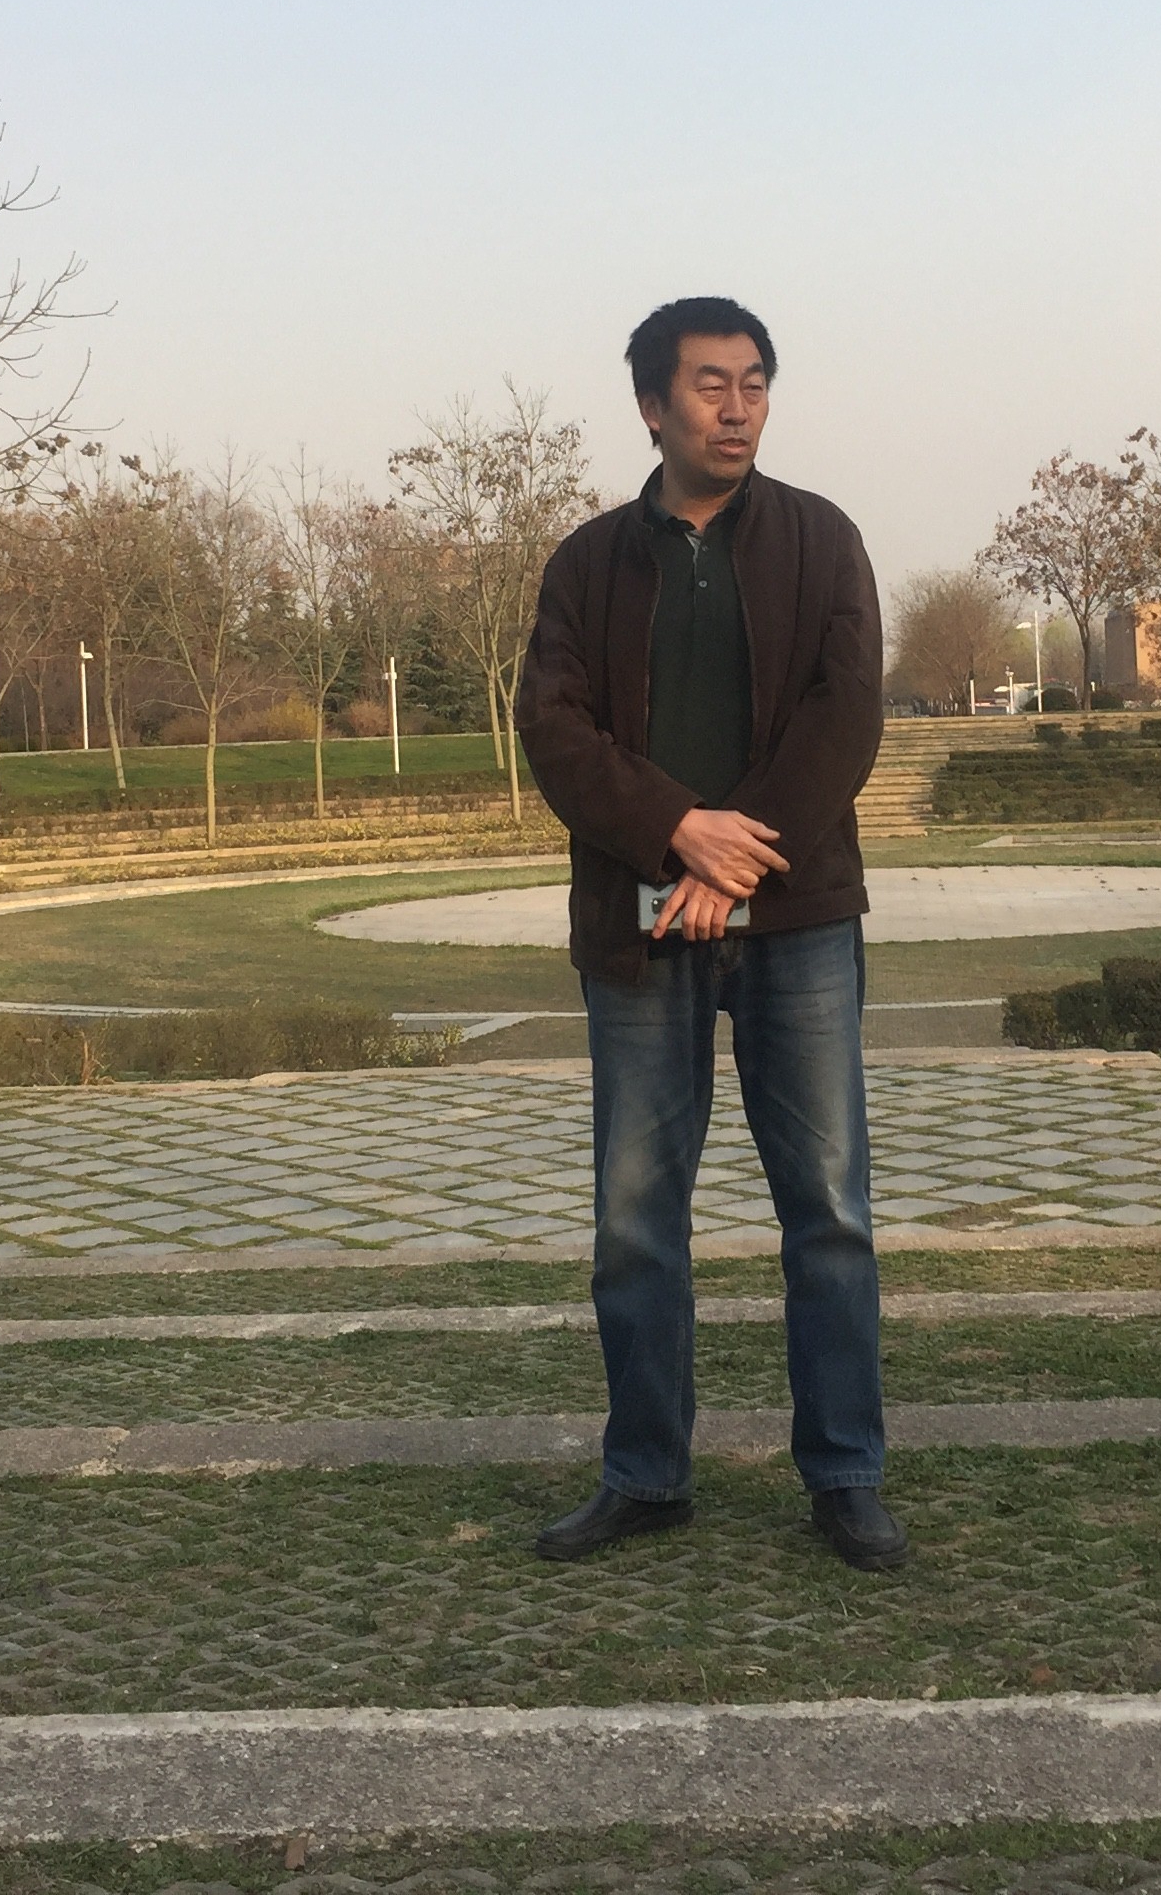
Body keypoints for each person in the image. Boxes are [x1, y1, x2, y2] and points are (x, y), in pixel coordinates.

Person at [516, 294, 904, 1573]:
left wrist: (733, 862)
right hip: (641, 926)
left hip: (796, 921)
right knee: (636, 1218)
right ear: (651, 405)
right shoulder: (586, 564)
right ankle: (645, 1474)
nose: (737, 409)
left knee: (829, 1211)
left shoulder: (821, 539)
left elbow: (845, 716)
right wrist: (677, 830)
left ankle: (845, 1473)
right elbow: (555, 730)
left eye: (754, 384)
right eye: (709, 386)